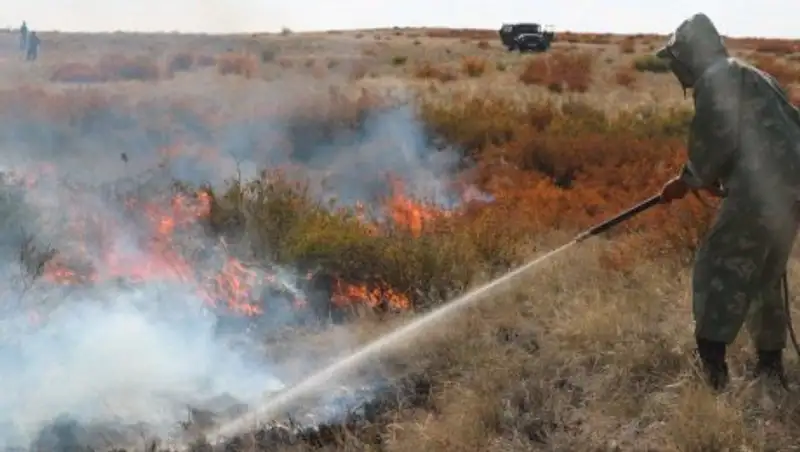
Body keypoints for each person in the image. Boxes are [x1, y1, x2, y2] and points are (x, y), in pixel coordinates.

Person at [657, 13, 800, 391]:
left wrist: (687, 180)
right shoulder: (756, 75)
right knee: (766, 275)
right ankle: (770, 366)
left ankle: (712, 370)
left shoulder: (716, 77)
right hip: (792, 191)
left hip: (760, 190)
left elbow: (715, 139)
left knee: (718, 265)